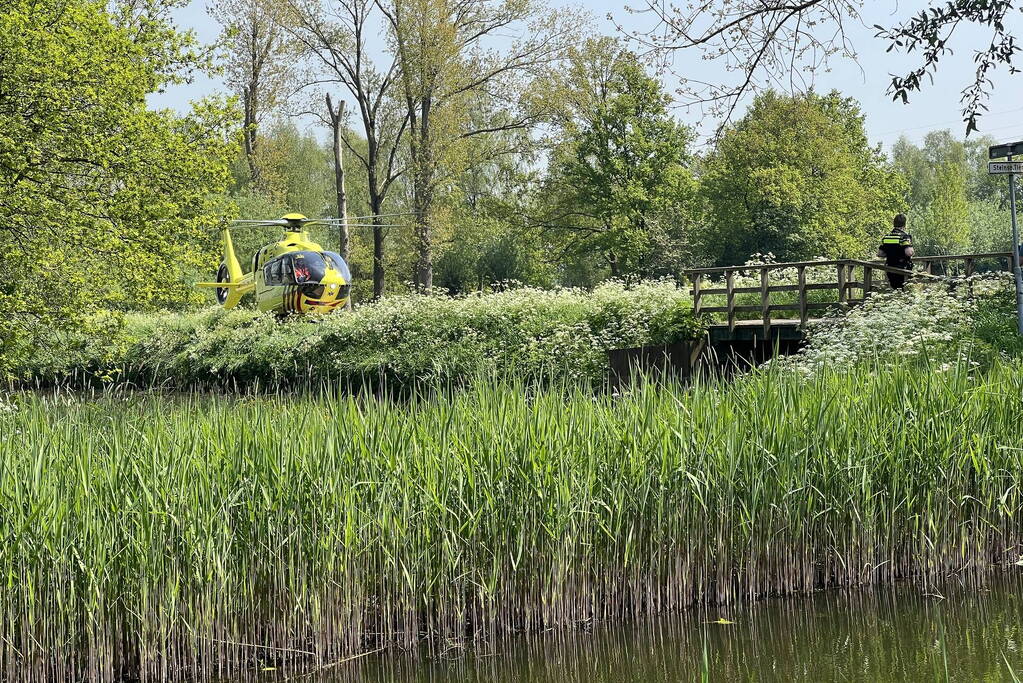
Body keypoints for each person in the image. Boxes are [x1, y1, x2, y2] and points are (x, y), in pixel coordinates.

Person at [877, 214, 915, 289]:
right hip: (903, 269)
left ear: (894, 223)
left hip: (890, 268)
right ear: (904, 224)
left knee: (894, 289)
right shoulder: (904, 237)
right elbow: (909, 252)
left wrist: (890, 253)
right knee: (905, 289)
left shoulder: (887, 237)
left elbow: (880, 254)